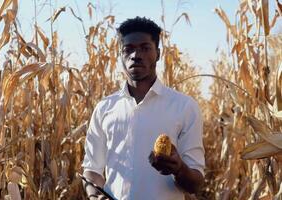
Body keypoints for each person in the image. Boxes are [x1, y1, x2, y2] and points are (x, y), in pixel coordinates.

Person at [82, 16, 205, 200]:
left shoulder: (185, 107)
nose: (136, 55)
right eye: (128, 49)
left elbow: (195, 184)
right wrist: (93, 196)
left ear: (158, 53)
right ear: (121, 55)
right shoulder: (104, 108)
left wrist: (179, 168)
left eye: (145, 48)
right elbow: (92, 170)